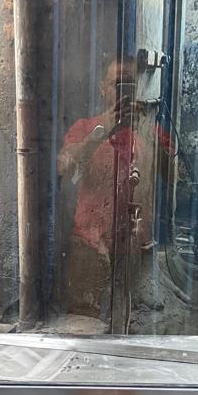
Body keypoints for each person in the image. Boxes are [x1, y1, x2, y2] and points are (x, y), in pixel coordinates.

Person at [57, 58, 174, 321]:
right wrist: (101, 131)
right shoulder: (85, 127)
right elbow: (62, 168)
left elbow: (172, 178)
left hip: (133, 247)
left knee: (129, 320)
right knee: (86, 321)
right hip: (91, 245)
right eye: (117, 84)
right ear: (103, 88)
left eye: (129, 85)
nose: (124, 92)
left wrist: (146, 133)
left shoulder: (149, 130)